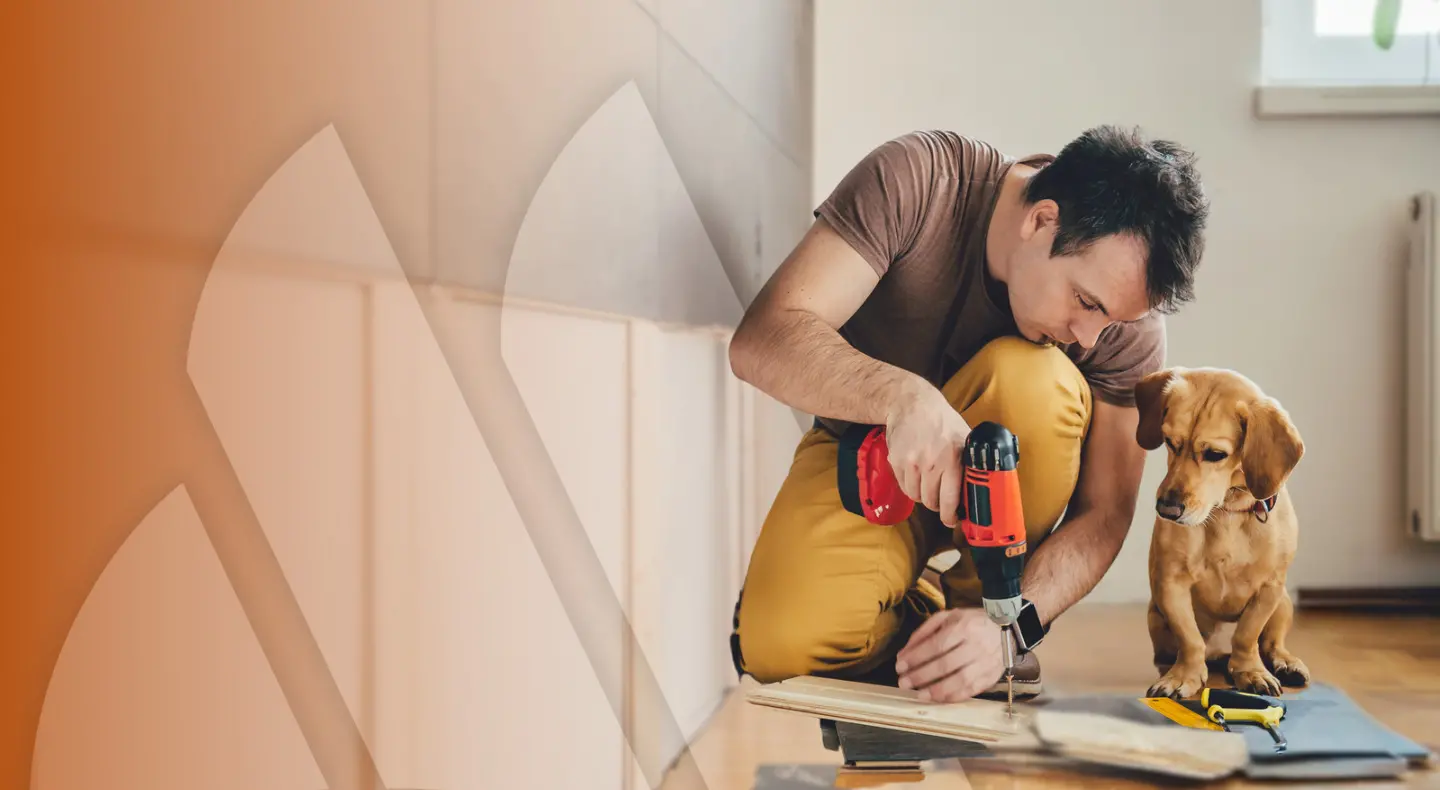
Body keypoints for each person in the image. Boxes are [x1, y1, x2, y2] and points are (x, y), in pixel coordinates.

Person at [726, 125, 1208, 703]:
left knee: (1034, 378)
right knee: (782, 645)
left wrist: (1011, 629)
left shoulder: (1122, 328)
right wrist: (902, 397)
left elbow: (1104, 515)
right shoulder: (919, 182)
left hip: (1004, 503)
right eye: (1084, 302)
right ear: (1041, 220)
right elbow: (761, 340)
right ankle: (923, 613)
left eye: (1110, 321)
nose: (1088, 337)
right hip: (871, 453)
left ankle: (982, 625)